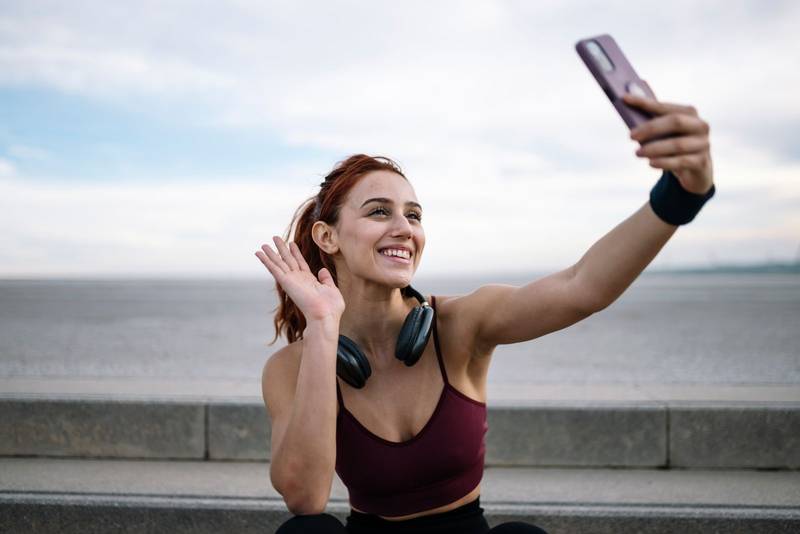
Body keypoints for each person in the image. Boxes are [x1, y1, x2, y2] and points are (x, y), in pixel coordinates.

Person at [255, 93, 714, 534]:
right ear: (328, 237)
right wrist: (322, 328)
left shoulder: (462, 323)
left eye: (413, 215)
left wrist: (681, 195)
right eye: (379, 212)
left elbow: (582, 287)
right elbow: (305, 499)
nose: (404, 229)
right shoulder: (291, 368)